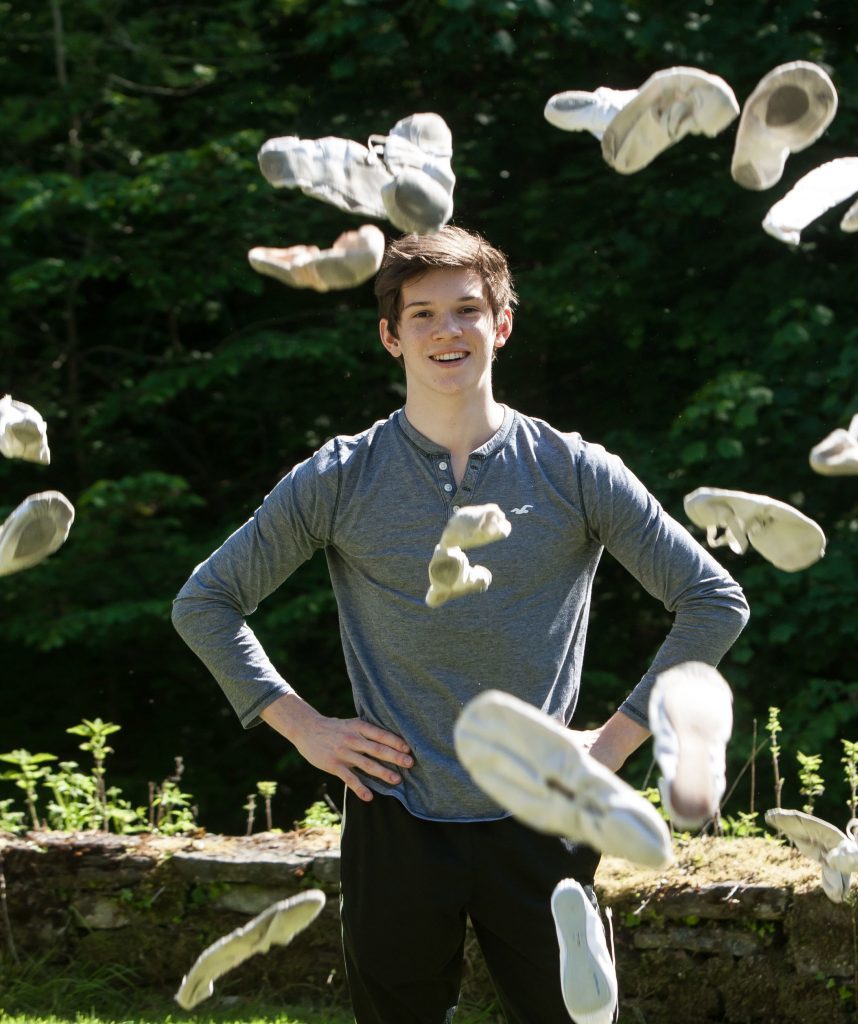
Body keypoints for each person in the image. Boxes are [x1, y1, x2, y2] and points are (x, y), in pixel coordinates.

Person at [172, 225, 749, 1023]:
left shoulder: (572, 470)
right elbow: (205, 601)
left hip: (544, 814)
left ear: (501, 324)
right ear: (390, 336)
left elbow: (714, 600)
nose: (448, 330)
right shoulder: (340, 477)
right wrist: (305, 728)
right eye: (423, 315)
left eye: (468, 310)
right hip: (394, 816)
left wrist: (611, 743)